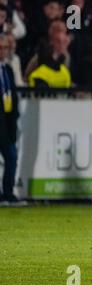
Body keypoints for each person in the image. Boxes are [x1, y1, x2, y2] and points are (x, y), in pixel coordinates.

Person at [0, 34, 25, 206]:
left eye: (5, 48)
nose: (2, 51)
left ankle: (8, 193)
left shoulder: (7, 69)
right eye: (0, 48)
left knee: (12, 156)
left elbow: (12, 96)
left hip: (7, 123)